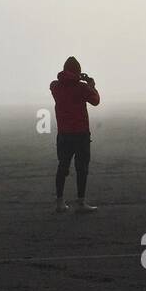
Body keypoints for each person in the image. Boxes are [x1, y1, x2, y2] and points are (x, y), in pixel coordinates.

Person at [49, 56, 99, 212]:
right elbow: (96, 100)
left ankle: (59, 201)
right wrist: (91, 84)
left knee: (62, 167)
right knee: (81, 168)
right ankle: (81, 202)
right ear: (78, 71)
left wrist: (77, 79)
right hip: (80, 134)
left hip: (63, 134)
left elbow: (57, 83)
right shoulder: (82, 88)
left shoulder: (55, 87)